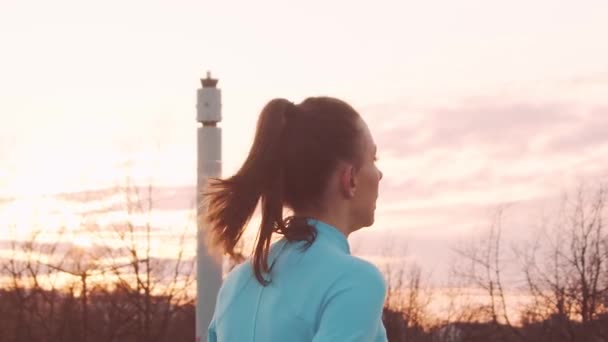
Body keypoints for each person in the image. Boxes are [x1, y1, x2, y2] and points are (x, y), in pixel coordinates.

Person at [204, 96, 387, 341]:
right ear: (350, 179)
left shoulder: (235, 285)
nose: (380, 174)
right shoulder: (355, 282)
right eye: (373, 160)